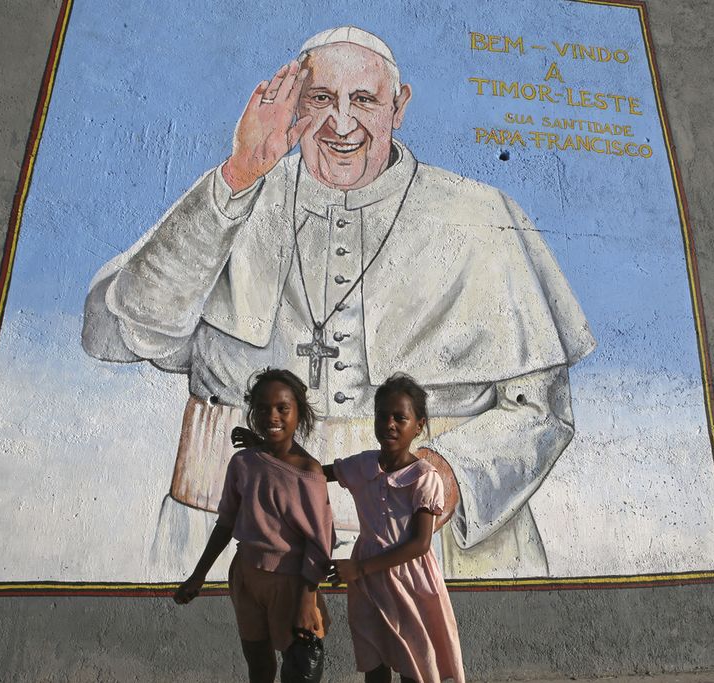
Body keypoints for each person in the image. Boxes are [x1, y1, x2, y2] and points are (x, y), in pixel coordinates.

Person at [81, 26, 596, 579]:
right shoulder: (234, 195)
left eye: (364, 100)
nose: (341, 124)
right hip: (232, 535)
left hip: (434, 545)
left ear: (399, 107)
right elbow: (123, 333)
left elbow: (540, 411)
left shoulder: (481, 218)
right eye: (320, 100)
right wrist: (238, 176)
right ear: (292, 105)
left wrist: (451, 475)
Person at [173, 368, 333, 683]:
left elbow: (320, 544)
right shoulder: (243, 464)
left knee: (297, 670)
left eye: (282, 408)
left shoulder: (308, 473)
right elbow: (226, 523)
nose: (272, 415)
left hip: (290, 584)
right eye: (262, 408)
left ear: (299, 413)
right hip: (246, 577)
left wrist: (306, 601)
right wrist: (198, 574)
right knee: (258, 667)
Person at [330, 373, 464, 683]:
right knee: (374, 662)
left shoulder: (423, 477)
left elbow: (420, 544)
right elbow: (315, 473)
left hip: (409, 582)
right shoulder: (362, 466)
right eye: (382, 415)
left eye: (399, 417)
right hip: (368, 585)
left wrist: (358, 569)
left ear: (418, 425)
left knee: (414, 665)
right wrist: (272, 449)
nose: (389, 423)